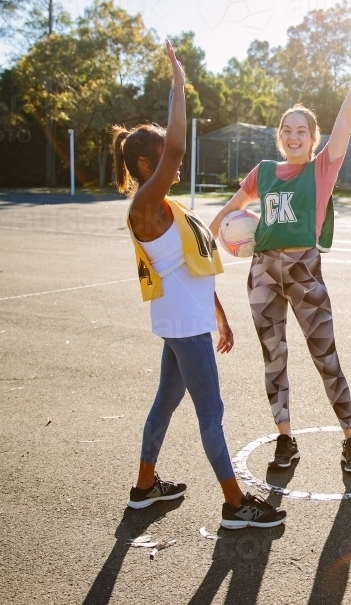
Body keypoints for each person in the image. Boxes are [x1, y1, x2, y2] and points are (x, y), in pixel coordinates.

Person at [116, 40, 285, 530]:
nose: (176, 161)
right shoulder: (145, 204)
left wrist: (221, 314)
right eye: (163, 155)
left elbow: (191, 261)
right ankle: (236, 505)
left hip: (186, 318)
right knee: (211, 412)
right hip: (182, 323)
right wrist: (176, 81)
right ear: (147, 164)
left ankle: (144, 488)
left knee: (166, 402)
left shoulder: (169, 207)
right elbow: (177, 145)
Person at [211, 53, 351, 474]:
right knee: (274, 357)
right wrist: (200, 241)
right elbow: (230, 211)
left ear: (312, 138)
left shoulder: (322, 169)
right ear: (279, 136)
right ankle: (285, 438)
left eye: (301, 131)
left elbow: (345, 118)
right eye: (287, 130)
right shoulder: (263, 172)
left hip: (305, 274)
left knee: (327, 358)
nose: (294, 136)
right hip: (263, 275)